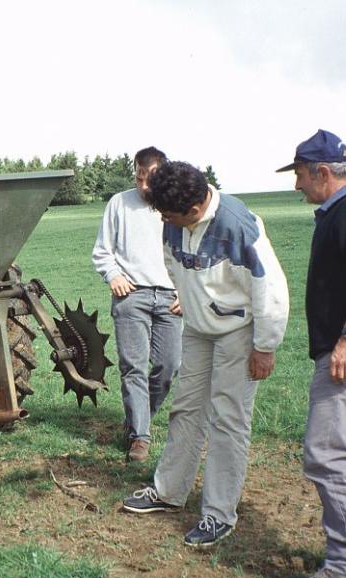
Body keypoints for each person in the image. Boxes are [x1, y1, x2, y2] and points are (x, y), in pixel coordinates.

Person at [122, 161, 289, 547]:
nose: (164, 220)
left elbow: (271, 291)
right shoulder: (172, 218)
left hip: (238, 333)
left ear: (195, 210)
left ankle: (218, 515)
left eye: (169, 215)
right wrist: (186, 295)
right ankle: (168, 492)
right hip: (198, 329)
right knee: (186, 409)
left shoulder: (238, 225)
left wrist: (264, 347)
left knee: (228, 420)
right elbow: (171, 259)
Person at [277, 129, 346, 578]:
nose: (297, 185)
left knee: (327, 454)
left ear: (324, 172)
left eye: (301, 175)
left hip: (344, 355)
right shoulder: (339, 211)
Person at [92, 147, 181, 463]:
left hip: (171, 298)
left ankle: (136, 419)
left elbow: (190, 253)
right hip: (131, 296)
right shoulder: (119, 203)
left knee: (168, 366)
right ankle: (140, 438)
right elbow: (102, 250)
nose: (144, 186)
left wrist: (185, 290)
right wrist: (113, 274)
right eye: (139, 178)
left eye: (150, 179)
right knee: (133, 368)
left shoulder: (174, 204)